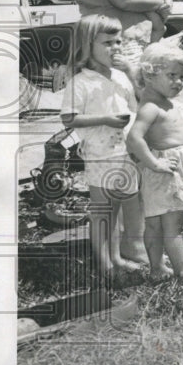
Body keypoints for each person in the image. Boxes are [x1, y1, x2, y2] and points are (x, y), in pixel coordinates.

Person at [60, 14, 146, 275]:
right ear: (88, 46)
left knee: (120, 209)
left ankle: (119, 258)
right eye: (108, 43)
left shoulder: (120, 78)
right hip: (100, 156)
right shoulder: (81, 82)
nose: (115, 48)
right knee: (103, 213)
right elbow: (69, 119)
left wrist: (132, 73)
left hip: (126, 154)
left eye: (118, 42)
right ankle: (105, 263)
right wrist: (105, 119)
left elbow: (139, 105)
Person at [126, 41, 183, 283]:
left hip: (164, 170)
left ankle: (157, 269)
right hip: (166, 170)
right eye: (171, 75)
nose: (178, 82)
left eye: (181, 77)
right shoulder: (151, 107)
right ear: (150, 74)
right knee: (173, 226)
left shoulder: (156, 101)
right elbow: (133, 138)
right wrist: (154, 164)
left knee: (155, 223)